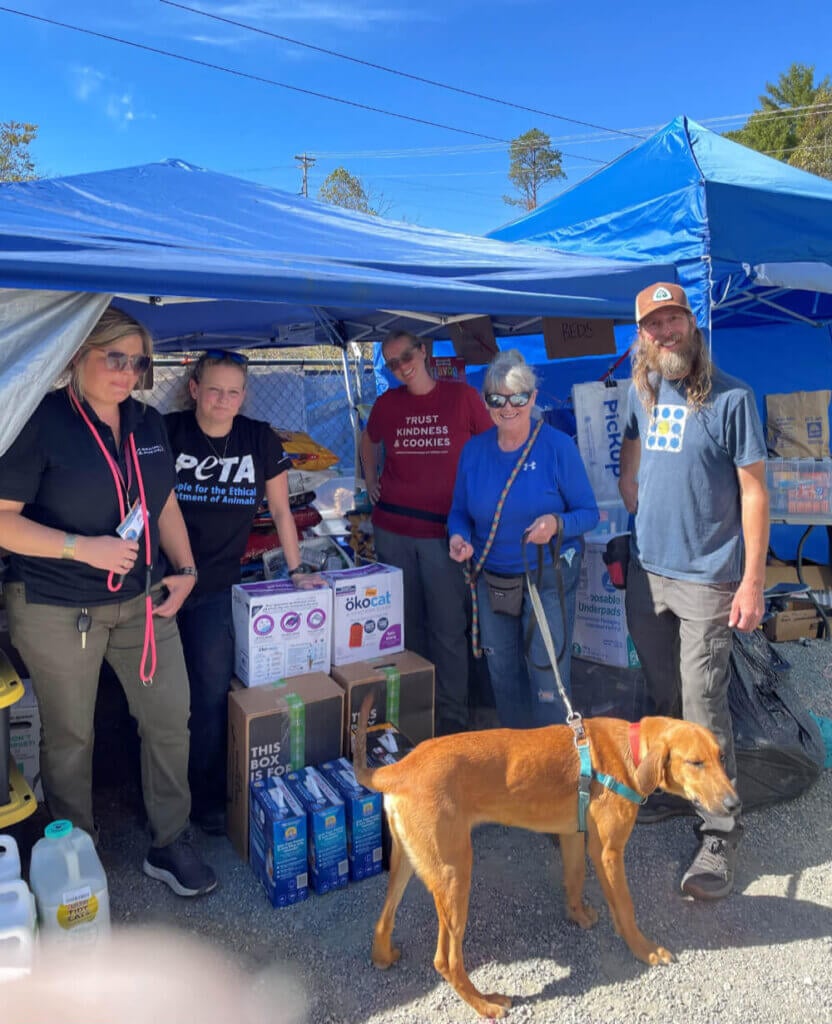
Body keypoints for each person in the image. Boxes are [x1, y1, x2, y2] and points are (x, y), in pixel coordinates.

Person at [0, 307, 216, 898]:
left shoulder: (146, 424)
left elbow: (163, 503)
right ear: (76, 354)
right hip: (56, 606)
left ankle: (171, 841)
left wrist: (187, 567)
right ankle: (76, 852)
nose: (126, 372)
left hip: (142, 603)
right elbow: (3, 523)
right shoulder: (39, 421)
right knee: (71, 736)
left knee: (171, 718)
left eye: (137, 361)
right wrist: (81, 548)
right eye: (113, 357)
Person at [619, 281, 769, 901]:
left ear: (692, 322)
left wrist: (753, 579)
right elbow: (629, 457)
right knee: (660, 698)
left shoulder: (732, 397)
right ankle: (675, 790)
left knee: (704, 708)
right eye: (654, 324)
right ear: (643, 336)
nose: (666, 331)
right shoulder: (643, 390)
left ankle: (720, 832)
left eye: (674, 318)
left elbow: (756, 492)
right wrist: (637, 502)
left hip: (709, 578)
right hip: (647, 570)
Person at [165, 350, 311, 835]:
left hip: (214, 590)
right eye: (213, 389)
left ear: (244, 394)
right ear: (193, 388)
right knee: (157, 698)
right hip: (158, 583)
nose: (222, 400)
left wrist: (297, 570)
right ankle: (157, 799)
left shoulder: (258, 438)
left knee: (208, 695)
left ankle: (203, 801)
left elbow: (283, 512)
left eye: (233, 391)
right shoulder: (167, 432)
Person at [448, 350, 598, 728]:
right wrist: (459, 536)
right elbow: (459, 511)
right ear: (486, 403)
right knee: (503, 678)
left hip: (546, 579)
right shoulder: (474, 451)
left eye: (518, 397)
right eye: (497, 399)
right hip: (492, 580)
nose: (508, 406)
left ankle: (554, 763)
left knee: (547, 680)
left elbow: (589, 513)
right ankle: (519, 767)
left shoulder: (557, 447)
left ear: (533, 398)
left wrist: (555, 523)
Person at [360, 331, 493, 736]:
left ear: (424, 352)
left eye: (406, 356)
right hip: (394, 529)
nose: (401, 366)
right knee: (405, 626)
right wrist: (370, 479)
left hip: (444, 533)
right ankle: (416, 710)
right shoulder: (387, 403)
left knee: (448, 626)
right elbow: (369, 441)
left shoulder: (462, 397)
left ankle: (452, 713)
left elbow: (490, 448)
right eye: (392, 363)